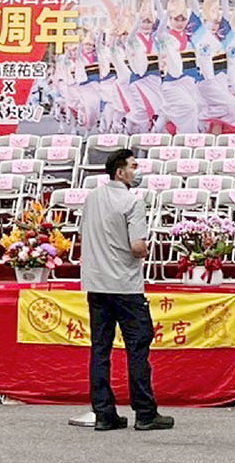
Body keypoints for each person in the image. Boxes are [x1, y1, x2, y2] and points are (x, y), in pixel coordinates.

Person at [79, 147, 170, 432]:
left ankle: (104, 413)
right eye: (133, 165)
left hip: (96, 284)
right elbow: (136, 246)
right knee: (138, 348)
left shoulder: (91, 199)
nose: (137, 170)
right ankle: (145, 411)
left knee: (100, 349)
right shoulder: (133, 202)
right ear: (121, 172)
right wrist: (147, 249)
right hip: (125, 286)